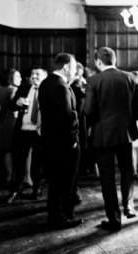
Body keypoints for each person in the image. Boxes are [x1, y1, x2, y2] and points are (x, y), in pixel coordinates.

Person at [85, 47, 138, 231]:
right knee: (127, 171)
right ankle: (129, 205)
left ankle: (114, 219)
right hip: (125, 133)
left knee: (107, 178)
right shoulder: (130, 77)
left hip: (103, 135)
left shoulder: (94, 80)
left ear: (98, 62)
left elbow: (89, 111)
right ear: (114, 60)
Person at [39, 53, 82, 229]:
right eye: (72, 68)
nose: (74, 72)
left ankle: (56, 215)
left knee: (56, 182)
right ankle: (62, 217)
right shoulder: (60, 86)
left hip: (50, 141)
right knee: (66, 181)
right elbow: (67, 117)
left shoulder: (46, 83)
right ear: (65, 67)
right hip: (64, 144)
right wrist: (72, 141)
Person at [6, 68, 47, 203]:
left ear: (45, 77)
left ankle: (37, 189)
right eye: (32, 74)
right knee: (18, 161)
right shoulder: (24, 88)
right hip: (23, 130)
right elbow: (11, 106)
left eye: (37, 74)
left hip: (39, 131)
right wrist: (17, 103)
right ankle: (15, 190)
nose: (34, 77)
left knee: (38, 163)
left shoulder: (47, 90)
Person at [0, 68, 21, 185]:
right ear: (10, 78)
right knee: (15, 150)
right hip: (12, 122)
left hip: (2, 122)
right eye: (17, 76)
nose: (20, 79)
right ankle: (16, 176)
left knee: (7, 151)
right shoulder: (14, 90)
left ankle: (9, 175)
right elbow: (14, 109)